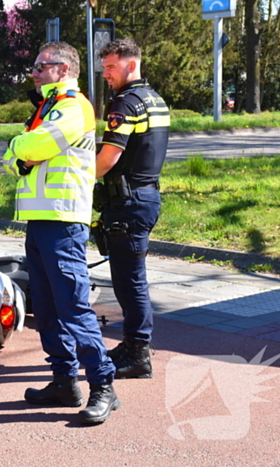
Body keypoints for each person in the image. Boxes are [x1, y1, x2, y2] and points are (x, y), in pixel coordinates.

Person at [2, 41, 118, 425]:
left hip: (64, 220)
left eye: (42, 66)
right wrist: (21, 151)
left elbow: (33, 145)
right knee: (47, 307)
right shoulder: (47, 108)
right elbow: (14, 158)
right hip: (40, 220)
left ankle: (103, 385)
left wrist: (20, 148)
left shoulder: (74, 106)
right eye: (35, 66)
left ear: (64, 69)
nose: (34, 72)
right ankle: (64, 381)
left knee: (72, 306)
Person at [95, 38, 170, 379]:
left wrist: (77, 178)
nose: (106, 74)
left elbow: (107, 159)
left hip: (128, 202)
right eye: (104, 67)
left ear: (131, 64)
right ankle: (131, 345)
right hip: (144, 197)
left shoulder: (125, 103)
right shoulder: (154, 99)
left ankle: (138, 353)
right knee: (130, 277)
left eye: (111, 67)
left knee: (129, 281)